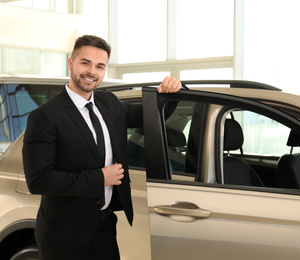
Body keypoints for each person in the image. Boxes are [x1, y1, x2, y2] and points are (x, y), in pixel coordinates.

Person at [22, 35, 181, 260]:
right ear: (70, 63)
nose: (92, 72)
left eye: (100, 66)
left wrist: (171, 91)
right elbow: (39, 180)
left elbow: (150, 116)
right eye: (85, 63)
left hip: (105, 230)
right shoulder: (45, 117)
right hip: (64, 236)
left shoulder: (109, 103)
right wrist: (99, 178)